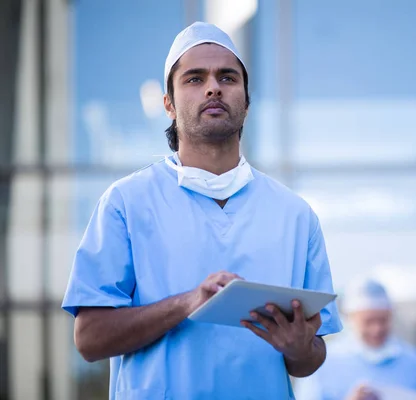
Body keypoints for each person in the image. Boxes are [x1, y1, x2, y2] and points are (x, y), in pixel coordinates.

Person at [61, 21, 343, 400]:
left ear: (246, 100)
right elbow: (90, 339)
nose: (213, 87)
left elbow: (310, 357)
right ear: (169, 104)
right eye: (194, 79)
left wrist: (298, 348)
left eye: (227, 77)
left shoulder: (295, 215)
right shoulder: (126, 203)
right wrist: (187, 303)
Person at [295, 277, 416, 400]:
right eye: (368, 322)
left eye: (383, 320)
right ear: (350, 319)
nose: (377, 329)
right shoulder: (321, 362)